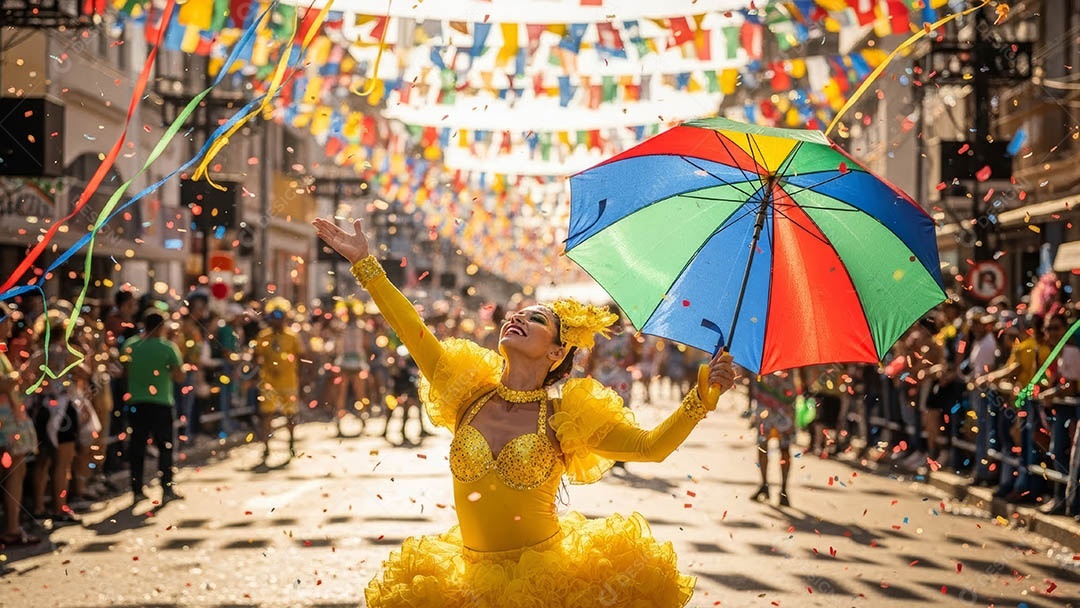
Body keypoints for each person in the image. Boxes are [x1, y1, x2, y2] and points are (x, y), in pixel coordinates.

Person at [314, 217, 736, 607]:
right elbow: (410, 329)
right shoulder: (467, 393)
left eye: (535, 319)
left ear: (556, 351)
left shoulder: (564, 416)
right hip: (464, 585)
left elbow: (650, 448)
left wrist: (701, 399)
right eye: (517, 313)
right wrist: (366, 264)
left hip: (545, 586)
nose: (516, 317)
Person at [121, 309, 186, 505]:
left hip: (136, 404)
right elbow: (180, 377)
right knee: (165, 446)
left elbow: (125, 372)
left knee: (137, 448)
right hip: (161, 403)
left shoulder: (130, 345)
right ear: (161, 327)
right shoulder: (168, 348)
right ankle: (166, 488)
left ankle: (137, 490)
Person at [0, 303, 41, 546]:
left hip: (10, 421)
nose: (11, 327)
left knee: (16, 470)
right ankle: (13, 528)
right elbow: (3, 384)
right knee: (13, 472)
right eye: (7, 321)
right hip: (5, 424)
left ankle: (13, 526)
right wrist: (19, 375)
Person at [252, 298, 302, 461]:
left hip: (289, 382)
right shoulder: (263, 336)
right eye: (273, 317)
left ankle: (291, 443)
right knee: (266, 415)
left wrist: (306, 378)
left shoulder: (292, 336)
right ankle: (266, 446)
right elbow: (256, 356)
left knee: (290, 415)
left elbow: (302, 356)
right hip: (268, 382)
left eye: (280, 317)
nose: (276, 320)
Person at [749, 370, 797, 506]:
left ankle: (784, 490)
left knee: (785, 448)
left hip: (785, 403)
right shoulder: (759, 350)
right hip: (764, 402)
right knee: (762, 445)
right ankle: (764, 485)